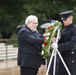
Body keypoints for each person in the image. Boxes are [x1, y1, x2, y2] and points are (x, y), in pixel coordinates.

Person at [51, 10, 76, 75]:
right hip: (63, 56)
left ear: (71, 18)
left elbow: (72, 44)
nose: (63, 21)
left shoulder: (74, 29)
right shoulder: (64, 30)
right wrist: (55, 41)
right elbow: (61, 40)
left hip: (71, 57)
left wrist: (59, 46)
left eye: (65, 19)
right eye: (63, 20)